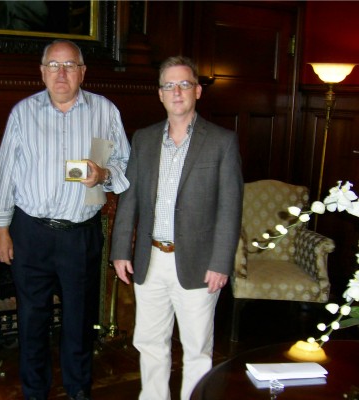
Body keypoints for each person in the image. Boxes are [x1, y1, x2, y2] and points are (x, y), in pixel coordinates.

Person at [0, 39, 130, 400]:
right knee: (32, 321)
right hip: (31, 232)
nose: (61, 74)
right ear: (42, 71)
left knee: (79, 322)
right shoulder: (22, 113)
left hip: (81, 234)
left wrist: (104, 175)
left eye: (69, 66)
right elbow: (5, 174)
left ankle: (79, 390)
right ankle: (35, 392)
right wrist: (1, 230)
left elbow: (124, 164)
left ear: (82, 72)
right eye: (53, 65)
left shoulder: (105, 111)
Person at [110, 56, 243, 400]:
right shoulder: (143, 139)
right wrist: (121, 250)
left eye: (184, 84)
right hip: (151, 258)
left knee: (197, 348)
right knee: (150, 342)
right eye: (169, 85)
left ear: (197, 91)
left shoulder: (222, 141)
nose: (177, 91)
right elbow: (130, 198)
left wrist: (221, 262)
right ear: (160, 94)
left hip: (199, 263)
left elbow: (230, 208)